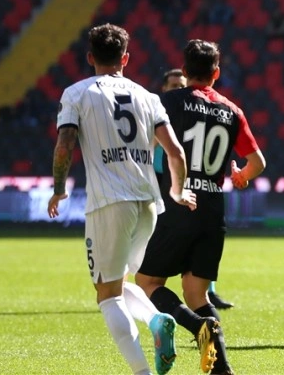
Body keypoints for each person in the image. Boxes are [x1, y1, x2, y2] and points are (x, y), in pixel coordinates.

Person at [47, 23, 197, 375]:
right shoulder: (149, 96)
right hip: (148, 204)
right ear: (125, 58)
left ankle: (142, 372)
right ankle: (157, 320)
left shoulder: (77, 93)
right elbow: (175, 151)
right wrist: (176, 190)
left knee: (107, 295)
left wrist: (58, 187)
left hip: (109, 203)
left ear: (89, 57)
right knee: (120, 283)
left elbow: (64, 144)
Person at [136, 39, 265, 375]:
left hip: (179, 204)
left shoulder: (169, 101)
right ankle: (222, 368)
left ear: (186, 69)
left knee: (148, 282)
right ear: (216, 72)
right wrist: (240, 177)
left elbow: (146, 145)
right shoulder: (232, 110)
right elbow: (257, 163)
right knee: (198, 294)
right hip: (212, 210)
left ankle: (196, 327)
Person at [157, 68, 235, 311]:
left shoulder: (189, 112)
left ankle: (204, 294)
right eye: (172, 85)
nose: (177, 89)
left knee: (194, 242)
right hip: (163, 183)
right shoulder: (161, 113)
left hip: (191, 185)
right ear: (164, 88)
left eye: (180, 84)